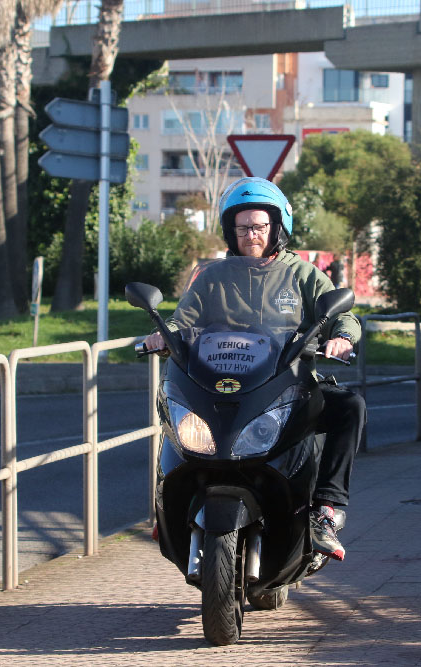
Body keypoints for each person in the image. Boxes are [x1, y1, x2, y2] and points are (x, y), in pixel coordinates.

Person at [142, 177, 365, 562]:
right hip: (220, 386)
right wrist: (162, 336)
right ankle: (170, 508)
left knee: (350, 407)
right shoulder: (212, 277)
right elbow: (183, 320)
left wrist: (342, 337)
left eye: (259, 226)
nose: (251, 235)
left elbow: (342, 315)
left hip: (286, 386)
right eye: (242, 227)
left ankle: (326, 510)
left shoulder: (302, 274)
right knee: (174, 418)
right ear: (230, 231)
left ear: (277, 228)